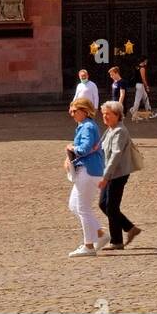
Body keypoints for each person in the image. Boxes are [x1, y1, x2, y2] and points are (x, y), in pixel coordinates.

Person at [97, 101, 141, 250]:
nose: (105, 117)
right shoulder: (110, 129)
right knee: (104, 204)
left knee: (111, 206)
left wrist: (105, 176)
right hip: (110, 172)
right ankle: (129, 228)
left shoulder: (120, 131)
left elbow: (115, 155)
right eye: (103, 114)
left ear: (117, 115)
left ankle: (117, 241)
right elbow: (99, 147)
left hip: (118, 174)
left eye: (108, 114)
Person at [64, 98, 105, 257]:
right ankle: (100, 234)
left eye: (75, 111)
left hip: (89, 170)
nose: (72, 114)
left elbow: (84, 148)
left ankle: (88, 246)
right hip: (87, 170)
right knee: (74, 205)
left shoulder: (88, 126)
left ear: (84, 111)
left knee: (83, 208)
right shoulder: (84, 126)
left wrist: (72, 148)